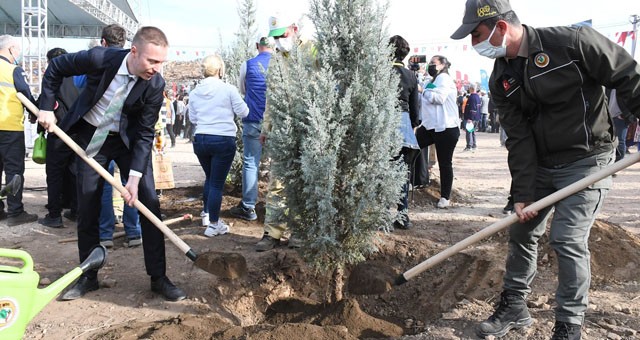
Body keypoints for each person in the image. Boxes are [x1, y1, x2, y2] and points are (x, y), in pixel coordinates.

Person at [451, 0, 640, 339]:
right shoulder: (501, 80)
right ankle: (514, 307)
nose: (473, 44)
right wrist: (522, 194)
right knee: (522, 232)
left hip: (588, 160)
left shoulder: (573, 43)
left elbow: (627, 75)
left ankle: (569, 325)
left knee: (567, 239)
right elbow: (519, 139)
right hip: (541, 165)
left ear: (501, 27)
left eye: (477, 34)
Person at [38, 26, 186, 302]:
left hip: (128, 142)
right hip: (92, 136)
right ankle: (88, 276)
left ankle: (158, 277)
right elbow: (57, 67)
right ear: (133, 51)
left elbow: (144, 133)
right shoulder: (100, 59)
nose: (156, 68)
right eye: (151, 61)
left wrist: (134, 178)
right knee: (88, 203)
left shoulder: (155, 84)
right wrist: (46, 107)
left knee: (149, 201)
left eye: (161, 62)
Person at [254, 13, 311, 251]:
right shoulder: (276, 60)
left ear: (295, 29)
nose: (278, 41)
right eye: (275, 38)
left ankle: (299, 232)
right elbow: (271, 97)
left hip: (308, 127)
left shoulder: (311, 51)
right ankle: (272, 233)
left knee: (305, 180)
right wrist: (266, 127)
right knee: (278, 181)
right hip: (281, 128)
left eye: (283, 35)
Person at [188, 54, 249, 237]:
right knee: (216, 184)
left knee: (210, 178)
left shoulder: (194, 92)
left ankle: (207, 214)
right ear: (221, 70)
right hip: (222, 139)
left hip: (201, 140)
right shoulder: (228, 89)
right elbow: (244, 112)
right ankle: (214, 225)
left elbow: (192, 118)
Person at [229, 36, 273, 222]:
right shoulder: (281, 65)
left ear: (257, 46)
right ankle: (278, 211)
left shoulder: (248, 65)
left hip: (253, 118)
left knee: (250, 162)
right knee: (280, 166)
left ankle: (248, 207)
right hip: (275, 122)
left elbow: (243, 90)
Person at [38, 47, 79, 228]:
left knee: (54, 174)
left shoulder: (53, 79)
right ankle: (76, 211)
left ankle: (54, 215)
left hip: (59, 133)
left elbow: (44, 103)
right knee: (75, 173)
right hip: (79, 134)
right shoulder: (78, 78)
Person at [0, 35, 38, 226]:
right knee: (14, 170)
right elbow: (26, 96)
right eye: (18, 50)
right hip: (9, 127)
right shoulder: (13, 70)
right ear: (10, 50)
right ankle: (15, 212)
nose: (19, 54)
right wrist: (35, 114)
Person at [415, 55, 460, 209]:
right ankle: (414, 181)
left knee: (445, 162)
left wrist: (423, 91)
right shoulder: (431, 81)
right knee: (411, 148)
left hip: (446, 128)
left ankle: (445, 197)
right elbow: (423, 90)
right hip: (429, 126)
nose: (430, 66)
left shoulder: (445, 79)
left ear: (442, 65)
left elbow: (439, 98)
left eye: (433, 63)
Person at [388, 35, 420, 229]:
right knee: (401, 174)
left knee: (382, 173)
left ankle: (383, 216)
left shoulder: (381, 72)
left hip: (385, 123)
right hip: (404, 125)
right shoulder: (411, 76)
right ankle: (403, 216)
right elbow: (416, 112)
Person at [463, 86, 481, 151]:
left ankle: (469, 146)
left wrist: (470, 118)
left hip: (472, 118)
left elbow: (473, 109)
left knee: (469, 132)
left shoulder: (472, 97)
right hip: (477, 117)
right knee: (473, 132)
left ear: (471, 89)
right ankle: (474, 145)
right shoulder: (478, 97)